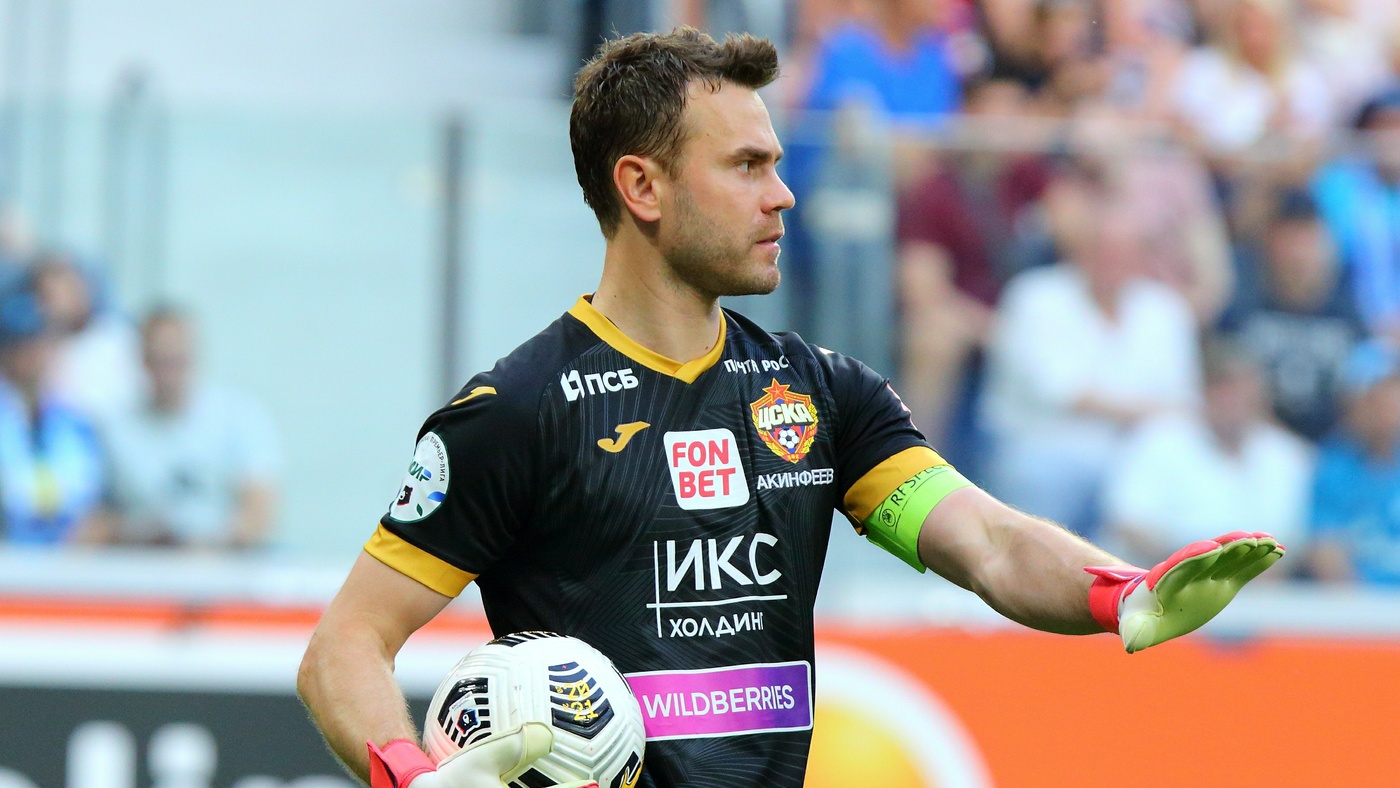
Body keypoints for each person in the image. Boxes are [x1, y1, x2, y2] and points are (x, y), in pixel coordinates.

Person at [298, 29, 1284, 788]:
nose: (783, 196)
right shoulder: (518, 411)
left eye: (775, 163)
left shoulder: (818, 394)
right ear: (642, 187)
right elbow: (344, 646)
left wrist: (1120, 594)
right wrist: (408, 774)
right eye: (745, 167)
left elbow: (986, 541)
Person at [979, 201, 1204, 537]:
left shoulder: (1166, 309)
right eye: (1103, 250)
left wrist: (1132, 414)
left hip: (1139, 453)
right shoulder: (1033, 296)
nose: (1111, 261)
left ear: (1143, 258)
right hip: (1044, 445)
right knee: (1045, 476)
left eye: (1124, 252)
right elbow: (1064, 394)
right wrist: (1145, 411)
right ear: (1080, 251)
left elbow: (1185, 403)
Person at [1102, 340, 1313, 570]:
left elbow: (1301, 540)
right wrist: (1195, 568)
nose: (1235, 399)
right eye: (1224, 388)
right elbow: (1129, 524)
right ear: (1204, 391)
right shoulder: (1158, 439)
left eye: (1244, 388)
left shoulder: (1288, 455)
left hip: (1264, 583)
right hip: (1166, 578)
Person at [95, 307, 280, 550]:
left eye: (176, 360)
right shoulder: (113, 427)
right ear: (142, 360)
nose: (168, 373)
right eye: (160, 360)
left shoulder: (239, 414)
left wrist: (209, 546)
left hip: (229, 557)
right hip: (143, 557)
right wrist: (136, 534)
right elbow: (93, 519)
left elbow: (259, 510)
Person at [0, 287, 106, 545]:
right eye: (19, 346)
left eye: (38, 344)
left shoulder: (76, 422)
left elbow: (94, 498)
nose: (30, 356)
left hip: (69, 555)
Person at [1309, 339, 1400, 585]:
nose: (1386, 414)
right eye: (1375, 401)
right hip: (1356, 601)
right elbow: (1325, 548)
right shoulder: (1333, 466)